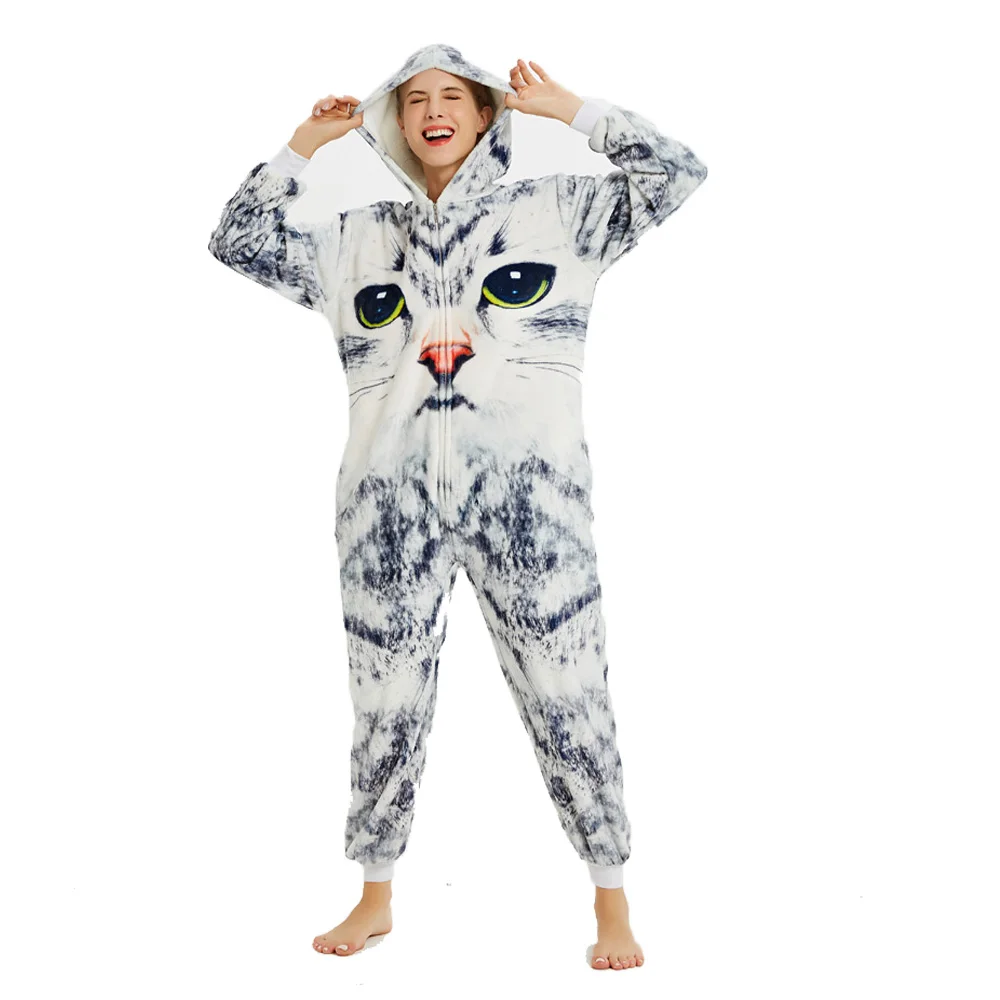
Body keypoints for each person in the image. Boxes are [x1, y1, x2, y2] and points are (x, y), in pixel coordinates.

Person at [208, 43, 707, 971]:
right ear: (394, 122)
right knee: (383, 703)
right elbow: (236, 241)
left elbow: (676, 173)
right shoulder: (357, 236)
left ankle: (612, 898)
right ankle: (375, 895)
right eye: (413, 100)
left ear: (485, 115)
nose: (433, 111)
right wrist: (302, 147)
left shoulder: (558, 214)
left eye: (452, 97)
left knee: (570, 695)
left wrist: (572, 111)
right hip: (385, 510)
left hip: (532, 501)